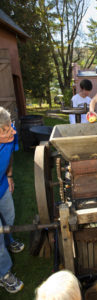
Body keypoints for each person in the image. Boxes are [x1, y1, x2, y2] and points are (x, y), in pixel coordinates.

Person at [0, 107, 24, 293]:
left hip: (2, 186)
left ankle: (9, 240)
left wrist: (9, 175)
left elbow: (9, 156)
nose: (13, 131)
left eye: (11, 126)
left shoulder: (10, 134)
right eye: (6, 129)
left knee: (9, 216)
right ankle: (4, 273)